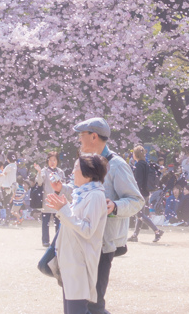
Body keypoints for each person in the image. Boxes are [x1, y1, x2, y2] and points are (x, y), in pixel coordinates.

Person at [50, 117, 144, 314]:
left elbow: (137, 200)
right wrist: (63, 189)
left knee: (93, 303)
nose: (78, 140)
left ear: (94, 136)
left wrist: (115, 206)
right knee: (74, 295)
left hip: (101, 243)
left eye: (81, 136)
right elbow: (79, 191)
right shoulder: (85, 162)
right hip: (77, 239)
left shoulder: (117, 165)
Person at [45, 153, 109, 314]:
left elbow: (87, 230)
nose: (72, 172)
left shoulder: (95, 195)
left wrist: (63, 210)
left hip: (79, 264)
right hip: (71, 263)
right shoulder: (82, 193)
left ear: (88, 172)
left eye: (76, 168)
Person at [129, 145, 163, 243]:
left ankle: (157, 231)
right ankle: (135, 235)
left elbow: (138, 181)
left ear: (135, 154)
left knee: (139, 214)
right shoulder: (146, 164)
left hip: (140, 192)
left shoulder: (139, 165)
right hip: (146, 192)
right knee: (140, 214)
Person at [35, 152, 66, 247]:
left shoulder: (60, 172)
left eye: (54, 160)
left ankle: (58, 240)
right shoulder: (44, 171)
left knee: (58, 222)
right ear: (47, 161)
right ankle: (45, 241)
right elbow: (39, 183)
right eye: (50, 160)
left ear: (57, 161)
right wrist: (39, 172)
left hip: (58, 200)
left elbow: (64, 185)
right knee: (45, 222)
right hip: (47, 200)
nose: (52, 162)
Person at [0, 153, 18, 226]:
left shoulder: (8, 166)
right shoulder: (15, 166)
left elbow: (3, 175)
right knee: (7, 205)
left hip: (4, 187)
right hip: (11, 188)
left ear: (8, 159)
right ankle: (7, 221)